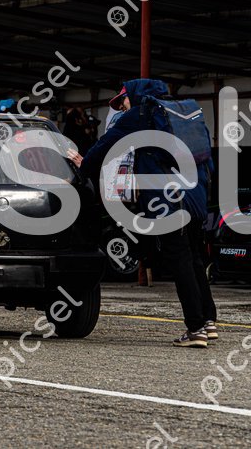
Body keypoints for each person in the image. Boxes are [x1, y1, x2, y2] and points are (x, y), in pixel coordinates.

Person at [73, 79, 218, 348]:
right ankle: (208, 321)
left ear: (135, 95)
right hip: (197, 197)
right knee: (194, 257)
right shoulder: (183, 114)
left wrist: (82, 171)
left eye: (123, 100)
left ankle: (195, 328)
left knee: (179, 259)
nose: (122, 106)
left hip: (169, 200)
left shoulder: (141, 114)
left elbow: (105, 145)